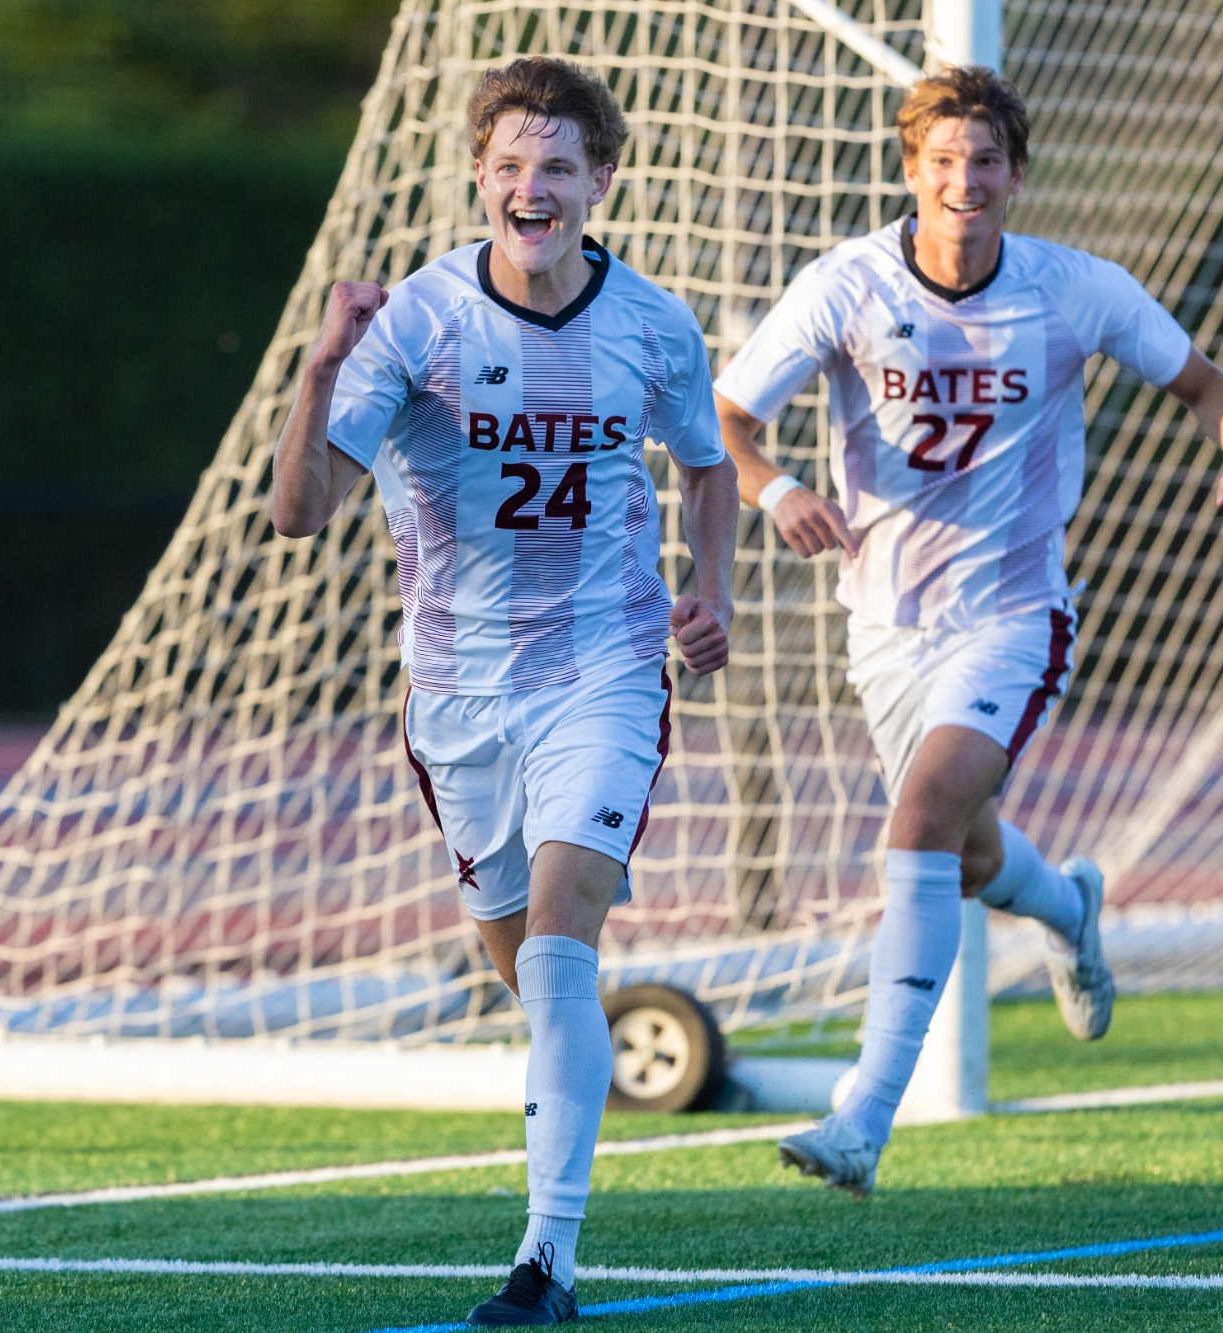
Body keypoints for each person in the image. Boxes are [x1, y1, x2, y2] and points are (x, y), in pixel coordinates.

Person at [713, 65, 1223, 1197]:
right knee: (963, 854)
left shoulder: (1073, 290)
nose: (961, 181)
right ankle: (1068, 905)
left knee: (920, 822)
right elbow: (724, 417)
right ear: (909, 171)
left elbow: (1211, 385)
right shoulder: (846, 286)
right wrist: (774, 490)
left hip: (1015, 614)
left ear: (1015, 175)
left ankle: (862, 1118)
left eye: (982, 162)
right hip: (882, 625)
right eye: (940, 162)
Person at [270, 56, 737, 1324]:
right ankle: (557, 1163)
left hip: (604, 668)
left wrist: (711, 590)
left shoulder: (650, 323)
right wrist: (318, 373)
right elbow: (298, 514)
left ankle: (546, 1261)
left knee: (558, 936)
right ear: (481, 180)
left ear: (599, 182)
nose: (532, 189)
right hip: (461, 695)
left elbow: (706, 467)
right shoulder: (417, 322)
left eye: (558, 169)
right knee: (533, 981)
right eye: (510, 168)